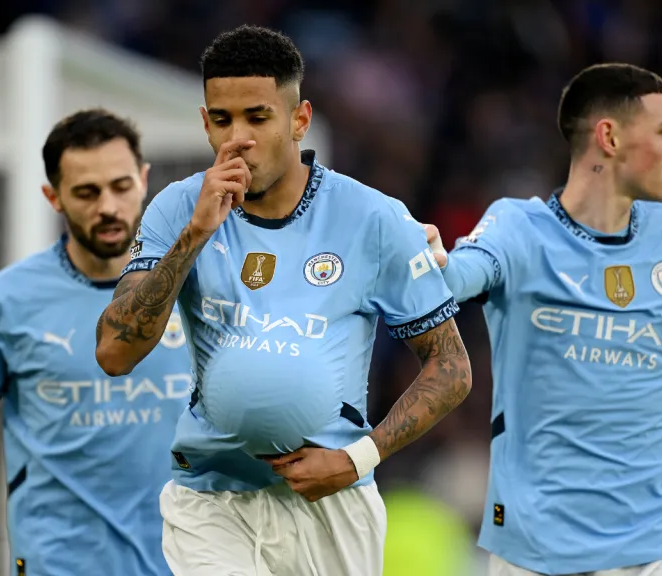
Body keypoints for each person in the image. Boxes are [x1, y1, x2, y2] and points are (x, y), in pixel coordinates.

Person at [94, 25, 471, 576]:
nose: (237, 137)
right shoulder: (180, 209)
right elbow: (114, 352)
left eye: (257, 117)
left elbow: (452, 367)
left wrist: (356, 458)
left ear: (299, 119)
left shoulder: (372, 218)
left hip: (331, 503)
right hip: (211, 497)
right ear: (204, 123)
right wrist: (195, 235)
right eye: (221, 120)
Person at [423, 63, 662, 576]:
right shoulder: (519, 228)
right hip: (538, 549)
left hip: (659, 545)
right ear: (610, 137)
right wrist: (434, 265)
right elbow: (461, 277)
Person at [0, 109, 192, 576]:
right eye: (87, 193)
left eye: (121, 186)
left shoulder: (195, 288)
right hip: (58, 560)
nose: (108, 207)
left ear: (144, 180)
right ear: (53, 197)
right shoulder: (6, 299)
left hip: (184, 558)